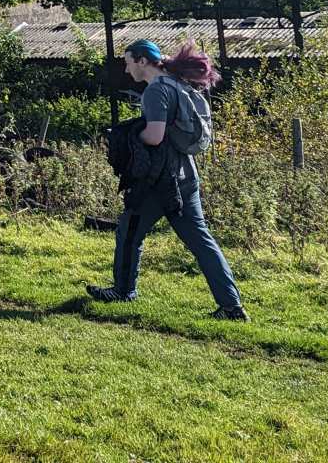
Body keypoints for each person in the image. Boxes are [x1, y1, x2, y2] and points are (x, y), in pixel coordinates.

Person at [87, 39, 249, 321]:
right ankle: (232, 307)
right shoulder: (178, 84)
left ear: (142, 61)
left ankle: (123, 291)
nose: (126, 70)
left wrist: (127, 136)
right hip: (187, 177)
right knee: (201, 241)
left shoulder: (156, 91)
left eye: (127, 61)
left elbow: (155, 136)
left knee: (129, 232)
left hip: (160, 181)